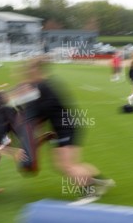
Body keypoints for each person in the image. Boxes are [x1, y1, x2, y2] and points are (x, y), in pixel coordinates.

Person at [18, 57, 115, 204]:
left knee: (68, 165)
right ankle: (101, 181)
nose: (26, 75)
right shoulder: (44, 85)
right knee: (61, 165)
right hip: (63, 128)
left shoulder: (43, 87)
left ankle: (89, 193)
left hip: (66, 128)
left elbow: (37, 115)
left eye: (27, 72)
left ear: (35, 71)